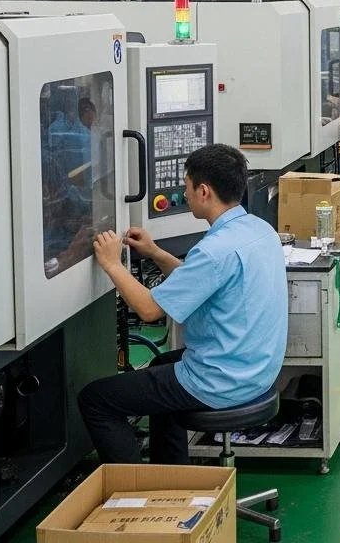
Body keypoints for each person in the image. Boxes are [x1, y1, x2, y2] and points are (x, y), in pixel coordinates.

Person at [80, 143, 287, 464]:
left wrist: (112, 264)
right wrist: (155, 253)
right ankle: (171, 472)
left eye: (186, 186)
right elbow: (199, 281)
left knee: (96, 399)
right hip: (258, 370)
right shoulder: (260, 230)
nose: (184, 194)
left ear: (203, 191)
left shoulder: (214, 250)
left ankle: (135, 487)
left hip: (223, 380)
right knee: (161, 365)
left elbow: (149, 310)